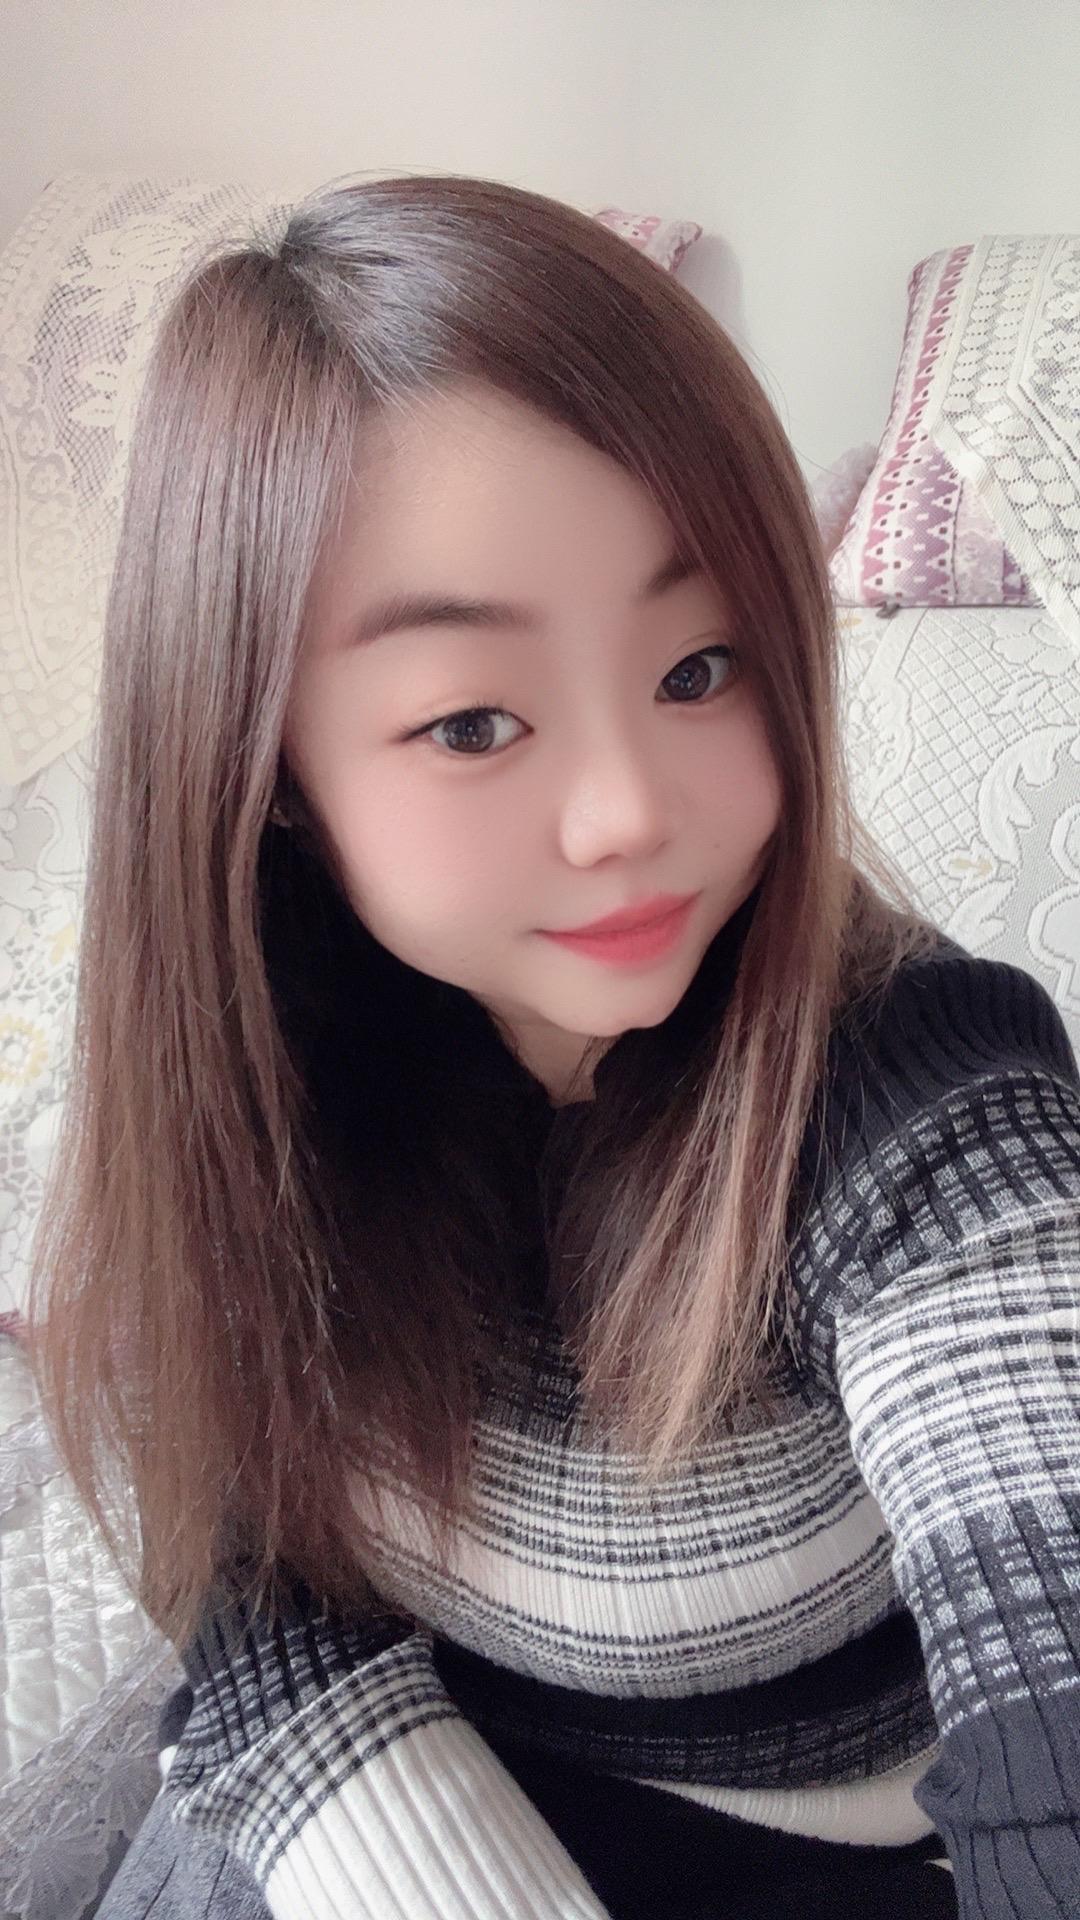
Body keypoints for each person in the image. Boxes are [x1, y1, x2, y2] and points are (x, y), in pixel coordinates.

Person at [24, 172, 1080, 1920]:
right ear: (264, 768)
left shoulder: (927, 1105)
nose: (627, 815)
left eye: (701, 667)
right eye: (473, 722)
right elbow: (252, 1593)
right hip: (397, 1787)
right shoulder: (241, 1080)